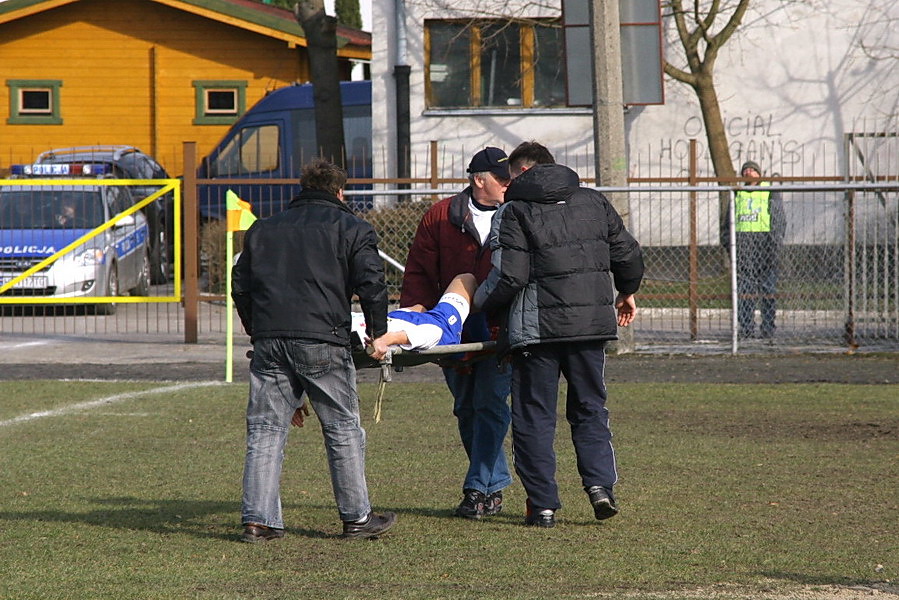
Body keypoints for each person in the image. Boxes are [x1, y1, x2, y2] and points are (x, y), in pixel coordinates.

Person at [232, 159, 397, 541]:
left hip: (271, 341)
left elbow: (240, 286)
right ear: (340, 192)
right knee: (341, 429)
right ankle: (357, 517)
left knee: (265, 431)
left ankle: (258, 521)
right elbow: (372, 284)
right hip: (324, 338)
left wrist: (258, 333)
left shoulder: (262, 229)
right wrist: (377, 334)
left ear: (302, 188)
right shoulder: (352, 228)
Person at [474, 156, 644, 528]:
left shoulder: (514, 210)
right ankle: (600, 487)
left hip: (536, 331)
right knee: (590, 409)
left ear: (521, 172)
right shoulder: (594, 201)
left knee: (534, 416)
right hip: (589, 327)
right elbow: (628, 253)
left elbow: (510, 276)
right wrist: (627, 290)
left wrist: (479, 306)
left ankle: (543, 504)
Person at [400, 147, 513, 520]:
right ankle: (493, 488)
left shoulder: (516, 214)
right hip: (451, 329)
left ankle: (477, 488)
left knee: (492, 406)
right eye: (503, 179)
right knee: (466, 408)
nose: (509, 184)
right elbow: (418, 267)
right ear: (480, 181)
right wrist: (415, 306)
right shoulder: (440, 215)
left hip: (501, 327)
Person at [731, 160, 786, 339]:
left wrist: (774, 244)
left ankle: (768, 328)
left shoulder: (769, 191)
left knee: (768, 290)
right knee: (744, 292)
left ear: (759, 173)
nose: (748, 173)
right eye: (745, 170)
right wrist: (729, 245)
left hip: (766, 248)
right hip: (743, 249)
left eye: (752, 170)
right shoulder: (737, 193)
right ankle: (746, 328)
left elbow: (778, 220)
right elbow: (727, 223)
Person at [368, 273, 477, 360]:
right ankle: (483, 332)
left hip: (394, 319)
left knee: (420, 307)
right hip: (439, 326)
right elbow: (434, 332)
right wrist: (388, 339)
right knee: (466, 279)